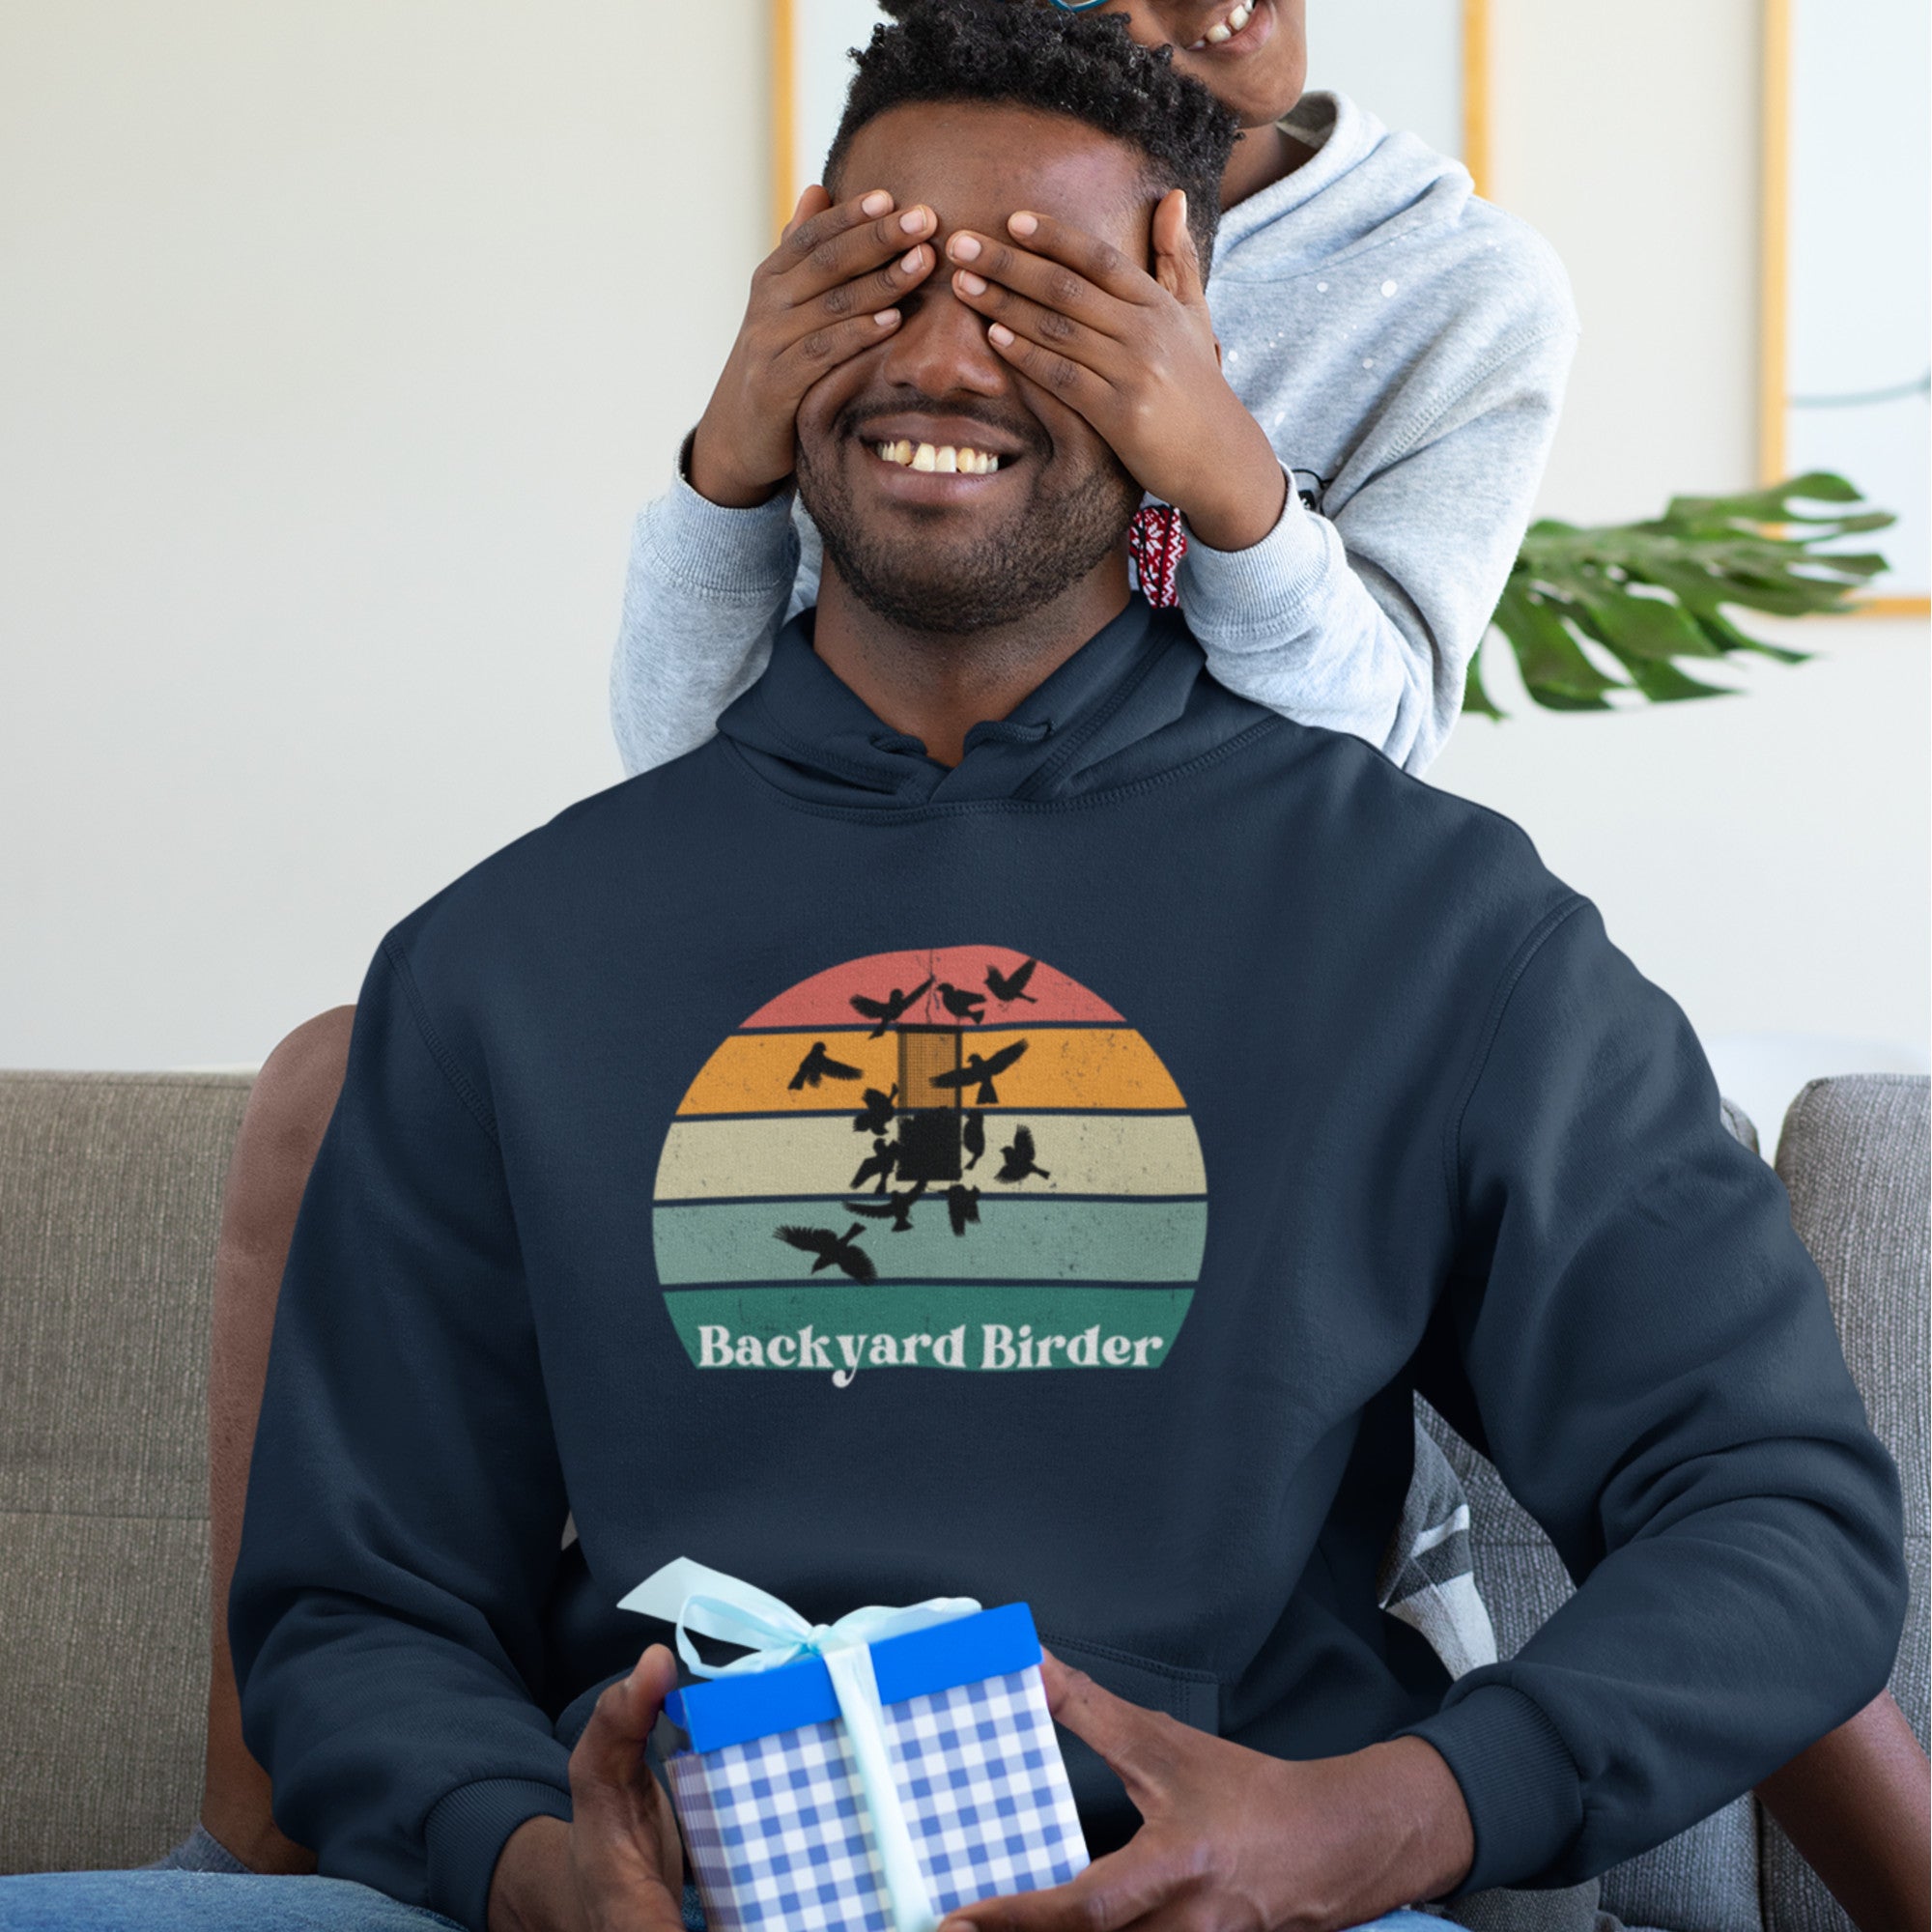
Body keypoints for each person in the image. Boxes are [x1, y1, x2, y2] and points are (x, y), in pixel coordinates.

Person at [2, 10, 1915, 1931]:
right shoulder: (503, 963)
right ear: (784, 306)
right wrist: (527, 1869)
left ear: (1179, 333)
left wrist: (1384, 1819)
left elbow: (1780, 1523)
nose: (935, 355)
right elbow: (351, 1609)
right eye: (885, 277)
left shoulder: (1439, 936)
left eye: (1039, 298)